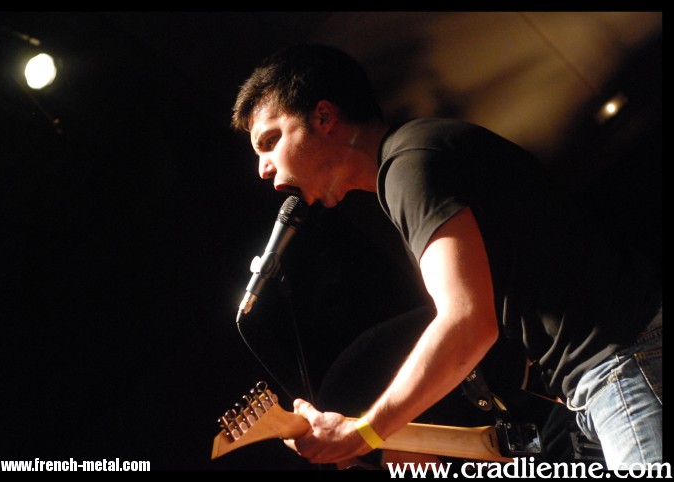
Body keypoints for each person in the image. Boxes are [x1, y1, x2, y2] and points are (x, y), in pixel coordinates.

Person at [230, 43, 662, 470]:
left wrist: (363, 433)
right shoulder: (415, 156)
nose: (263, 168)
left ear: (324, 118)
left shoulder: (408, 166)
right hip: (611, 371)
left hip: (623, 364)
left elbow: (467, 321)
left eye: (270, 141)